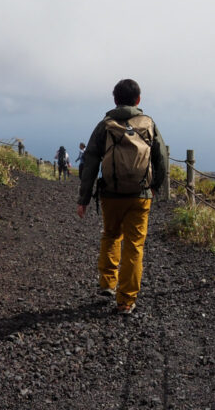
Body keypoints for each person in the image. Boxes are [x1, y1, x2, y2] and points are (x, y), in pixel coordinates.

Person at [77, 78, 166, 315]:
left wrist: (83, 199)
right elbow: (161, 158)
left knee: (111, 235)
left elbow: (91, 162)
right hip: (140, 195)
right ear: (138, 100)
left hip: (111, 194)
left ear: (115, 100)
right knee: (134, 246)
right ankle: (126, 301)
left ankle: (108, 283)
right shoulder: (148, 123)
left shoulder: (105, 124)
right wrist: (154, 186)